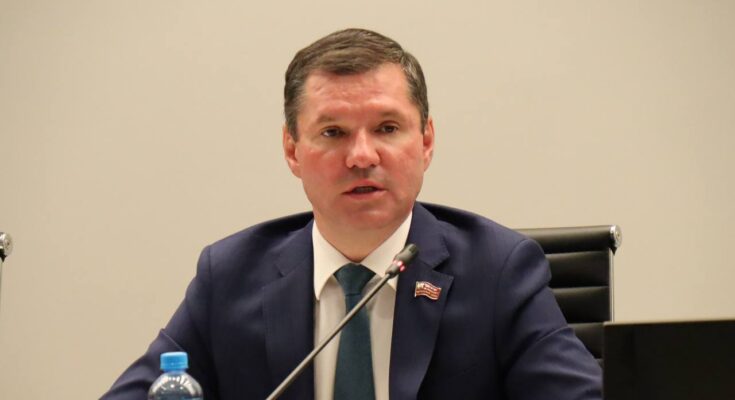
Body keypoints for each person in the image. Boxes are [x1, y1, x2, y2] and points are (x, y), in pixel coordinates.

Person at [102, 28, 601, 400]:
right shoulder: (230, 277)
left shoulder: (498, 272)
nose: (362, 156)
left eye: (387, 128)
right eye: (333, 133)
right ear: (292, 150)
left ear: (426, 141)